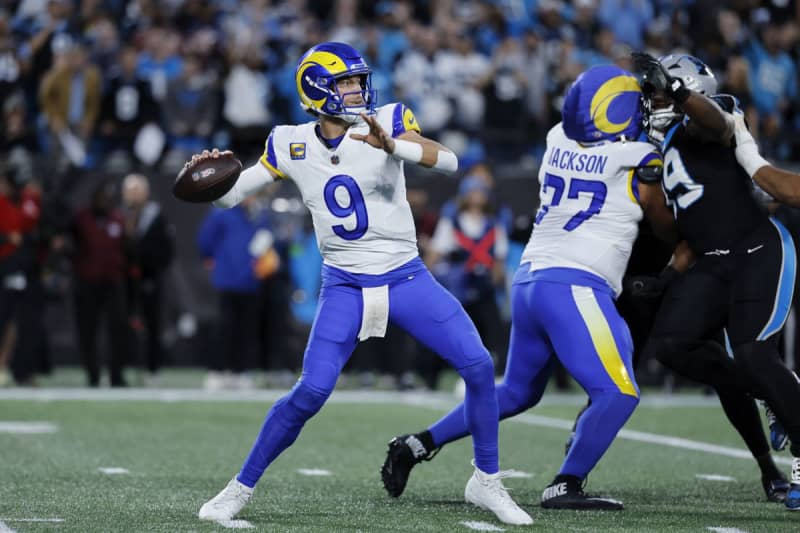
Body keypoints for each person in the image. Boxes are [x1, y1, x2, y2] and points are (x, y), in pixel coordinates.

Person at [192, 42, 531, 526]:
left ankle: (486, 482)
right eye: (345, 83)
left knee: (478, 365)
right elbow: (233, 196)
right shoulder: (290, 141)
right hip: (344, 284)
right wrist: (208, 180)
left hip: (405, 275)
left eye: (357, 81)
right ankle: (238, 489)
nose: (357, 90)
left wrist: (395, 146)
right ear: (317, 89)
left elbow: (450, 160)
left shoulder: (388, 120)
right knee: (310, 392)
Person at [382, 64, 678, 510]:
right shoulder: (640, 157)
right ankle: (566, 483)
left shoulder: (556, 137)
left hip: (532, 279)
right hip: (576, 284)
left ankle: (417, 443)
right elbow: (663, 222)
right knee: (619, 393)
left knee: (518, 392)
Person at [632, 52, 798, 507]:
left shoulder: (709, 117)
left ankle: (785, 411)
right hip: (711, 260)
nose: (652, 98)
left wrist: (682, 93)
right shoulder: (664, 147)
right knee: (671, 344)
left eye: (660, 89)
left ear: (687, 90)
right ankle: (771, 390)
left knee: (751, 354)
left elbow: (719, 124)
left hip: (756, 252)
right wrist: (666, 277)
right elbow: (691, 232)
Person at [121, 173, 173, 385]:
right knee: (121, 324)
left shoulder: (155, 216)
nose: (134, 195)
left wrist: (148, 264)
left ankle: (153, 369)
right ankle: (121, 368)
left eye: (137, 190)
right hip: (123, 279)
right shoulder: (118, 216)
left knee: (152, 325)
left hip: (150, 277)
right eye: (130, 191)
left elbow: (167, 250)